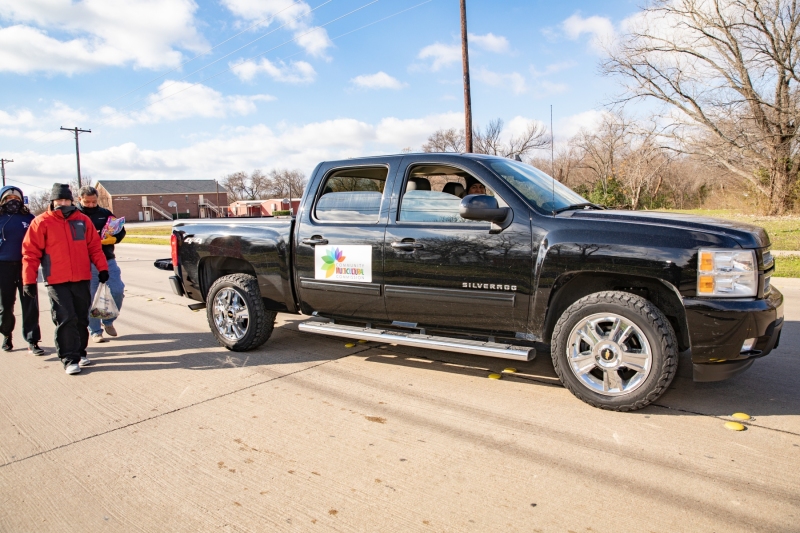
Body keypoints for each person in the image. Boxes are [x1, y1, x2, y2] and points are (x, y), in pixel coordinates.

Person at [22, 184, 108, 375]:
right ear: (52, 202)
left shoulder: (83, 221)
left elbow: (94, 247)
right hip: (56, 280)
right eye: (58, 201)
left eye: (66, 200)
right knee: (65, 317)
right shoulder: (41, 222)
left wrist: (102, 269)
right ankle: (69, 359)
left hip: (81, 277)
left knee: (80, 317)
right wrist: (28, 280)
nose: (62, 204)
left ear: (71, 201)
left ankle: (80, 352)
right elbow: (30, 254)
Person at [77, 186, 126, 343]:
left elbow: (120, 230)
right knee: (91, 297)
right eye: (87, 202)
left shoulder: (105, 214)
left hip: (107, 259)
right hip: (85, 261)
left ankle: (108, 321)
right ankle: (95, 330)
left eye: (93, 201)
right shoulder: (74, 216)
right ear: (79, 199)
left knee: (117, 290)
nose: (91, 205)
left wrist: (115, 238)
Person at [0, 186, 44, 355]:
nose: (13, 200)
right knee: (5, 306)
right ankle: (6, 335)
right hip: (3, 266)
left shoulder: (29, 218)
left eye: (16, 198)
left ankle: (32, 340)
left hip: (26, 265)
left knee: (30, 303)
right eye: (9, 197)